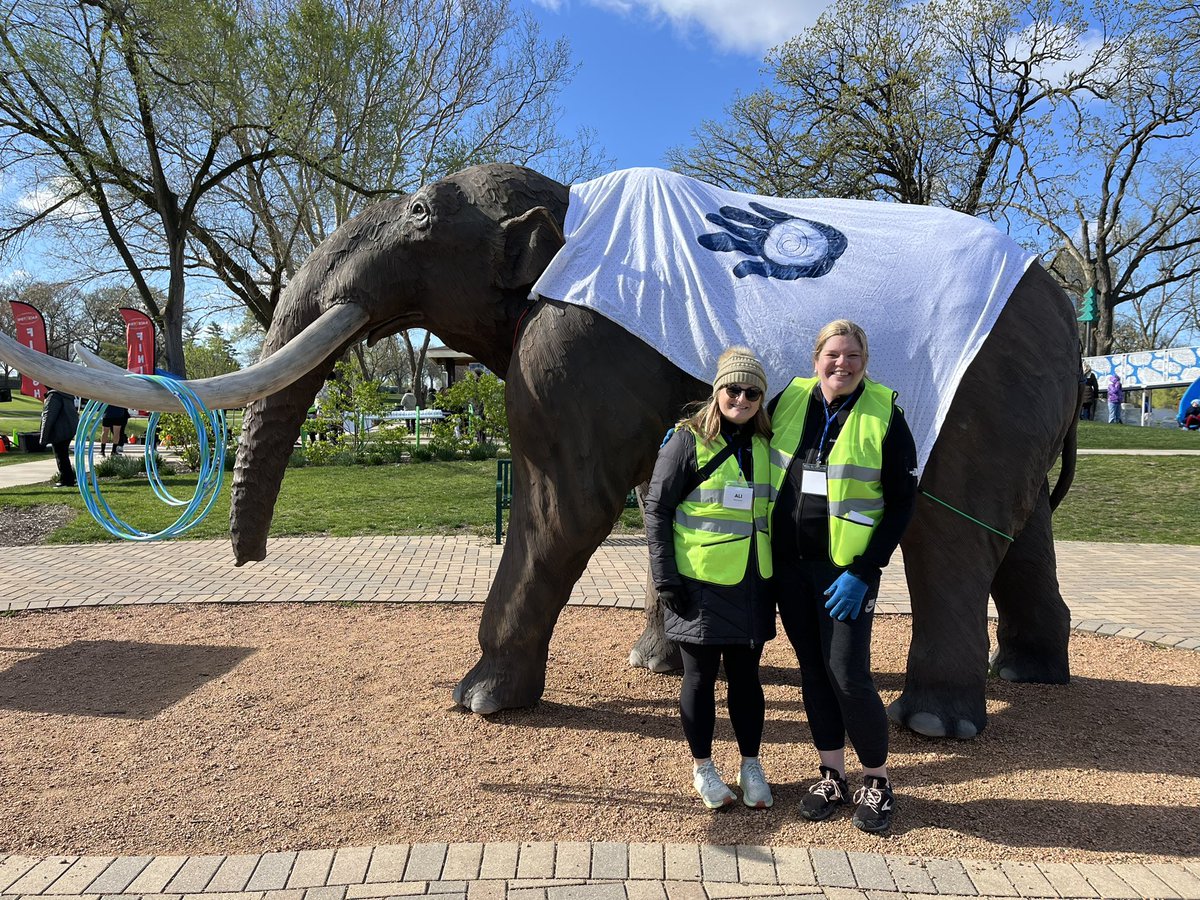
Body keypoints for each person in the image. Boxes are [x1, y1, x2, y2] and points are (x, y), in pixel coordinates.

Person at [768, 320, 917, 834]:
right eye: (833, 354)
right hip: (789, 568)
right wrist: (690, 431)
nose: (842, 363)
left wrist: (866, 569)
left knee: (848, 675)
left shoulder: (884, 413)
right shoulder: (789, 397)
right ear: (816, 359)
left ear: (864, 361)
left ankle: (876, 779)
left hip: (846, 573)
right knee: (813, 672)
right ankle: (831, 772)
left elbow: (901, 505)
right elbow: (741, 432)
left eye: (853, 355)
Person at [644, 347, 776, 811]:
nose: (741, 398)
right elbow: (657, 510)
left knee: (746, 678)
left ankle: (751, 764)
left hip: (753, 581)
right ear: (717, 390)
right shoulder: (686, 440)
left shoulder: (764, 445)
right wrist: (665, 580)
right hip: (697, 582)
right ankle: (703, 767)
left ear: (761, 397)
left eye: (751, 391)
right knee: (699, 678)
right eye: (732, 389)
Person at [40, 387, 80, 488]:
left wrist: (43, 437)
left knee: (61, 456)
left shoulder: (54, 396)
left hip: (59, 430)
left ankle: (66, 480)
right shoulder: (66, 395)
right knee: (63, 455)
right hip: (69, 429)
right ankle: (68, 478)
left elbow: (48, 415)